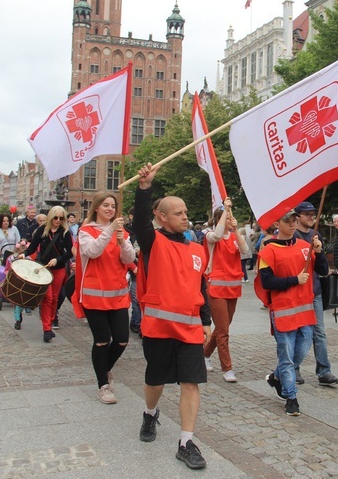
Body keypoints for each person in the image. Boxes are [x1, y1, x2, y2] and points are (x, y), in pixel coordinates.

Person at [134, 163, 211, 470]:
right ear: (161, 217)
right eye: (178, 212)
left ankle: (186, 441)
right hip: (159, 328)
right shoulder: (152, 242)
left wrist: (205, 319)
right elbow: (139, 223)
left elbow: (200, 285)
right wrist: (145, 189)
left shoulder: (198, 249)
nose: (185, 215)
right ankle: (150, 414)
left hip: (190, 330)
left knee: (191, 382)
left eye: (185, 211)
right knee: (155, 380)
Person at [258, 209, 329, 416]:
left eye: (294, 220)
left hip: (305, 311)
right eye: (287, 221)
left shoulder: (305, 247)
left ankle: (276, 377)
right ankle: (291, 397)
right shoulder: (268, 251)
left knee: (300, 353)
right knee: (287, 356)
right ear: (277, 224)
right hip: (282, 311)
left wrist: (319, 251)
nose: (291, 224)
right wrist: (294, 280)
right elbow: (267, 281)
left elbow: (323, 271)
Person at [74, 193, 135, 404]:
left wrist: (122, 242)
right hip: (94, 295)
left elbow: (128, 259)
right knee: (101, 341)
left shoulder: (121, 231)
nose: (110, 209)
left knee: (121, 339)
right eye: (106, 205)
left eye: (113, 206)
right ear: (97, 208)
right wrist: (109, 231)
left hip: (117, 294)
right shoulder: (85, 231)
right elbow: (92, 251)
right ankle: (103, 384)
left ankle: (105, 369)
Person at [294, 201, 338, 386]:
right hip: (298, 292)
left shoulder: (316, 235)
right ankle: (294, 368)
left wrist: (319, 252)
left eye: (313, 213)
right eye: (307, 214)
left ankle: (324, 371)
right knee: (299, 333)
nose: (311, 216)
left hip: (315, 291)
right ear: (298, 217)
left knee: (319, 333)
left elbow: (322, 269)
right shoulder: (293, 236)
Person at [203, 198, 249, 383]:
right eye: (227, 218)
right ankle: (227, 368)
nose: (230, 220)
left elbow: (245, 250)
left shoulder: (236, 237)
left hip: (233, 288)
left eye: (231, 217)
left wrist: (236, 230)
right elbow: (216, 236)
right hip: (216, 288)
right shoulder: (209, 236)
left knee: (222, 327)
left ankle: (204, 354)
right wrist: (224, 212)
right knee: (223, 331)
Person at [19, 206, 74, 343]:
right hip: (44, 268)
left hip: (59, 268)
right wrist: (24, 254)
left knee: (55, 298)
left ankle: (49, 322)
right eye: (55, 218)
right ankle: (47, 329)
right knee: (47, 298)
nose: (58, 220)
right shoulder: (41, 231)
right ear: (50, 217)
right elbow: (32, 247)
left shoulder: (66, 232)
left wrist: (58, 259)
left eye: (61, 218)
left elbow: (69, 253)